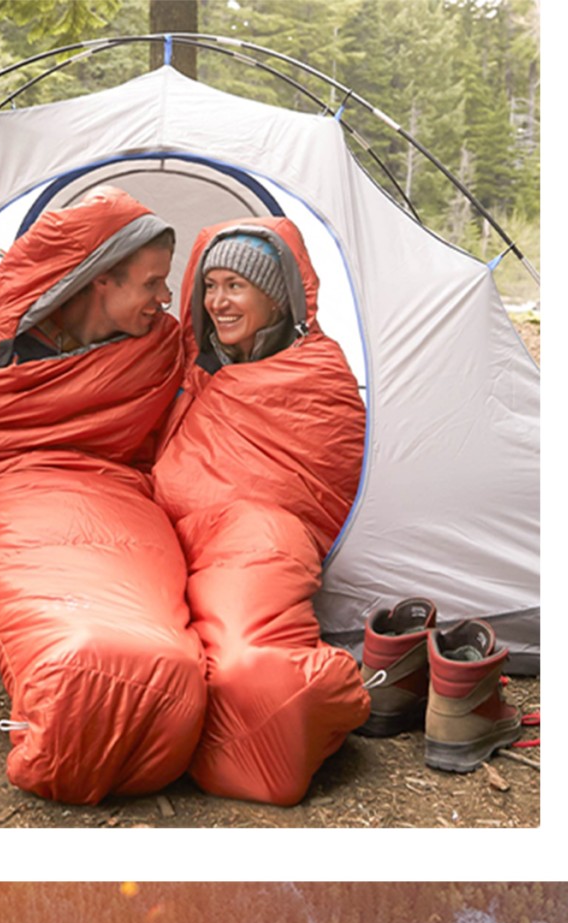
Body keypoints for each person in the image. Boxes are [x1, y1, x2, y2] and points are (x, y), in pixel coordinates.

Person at [0, 187, 207, 803]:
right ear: (100, 280)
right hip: (20, 494)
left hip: (120, 500)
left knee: (161, 652)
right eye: (151, 284)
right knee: (76, 642)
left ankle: (115, 685)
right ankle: (69, 691)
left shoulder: (166, 348)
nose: (165, 298)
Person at [152, 218, 370, 803]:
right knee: (146, 650)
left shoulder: (317, 372)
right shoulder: (189, 362)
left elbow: (319, 476)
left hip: (258, 531)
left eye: (236, 287)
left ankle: (289, 707)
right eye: (210, 286)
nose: (218, 302)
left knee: (248, 672)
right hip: (162, 533)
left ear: (276, 295)